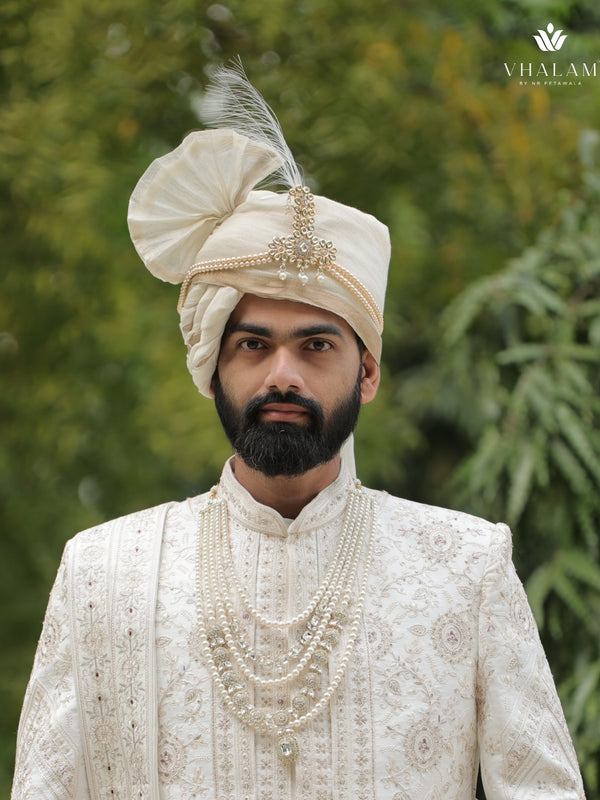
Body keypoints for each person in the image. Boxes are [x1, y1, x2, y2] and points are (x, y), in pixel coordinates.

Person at [12, 65, 585, 800]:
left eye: (316, 346)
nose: (283, 375)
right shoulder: (103, 574)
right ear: (212, 370)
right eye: (253, 345)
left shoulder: (466, 568)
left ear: (368, 374)